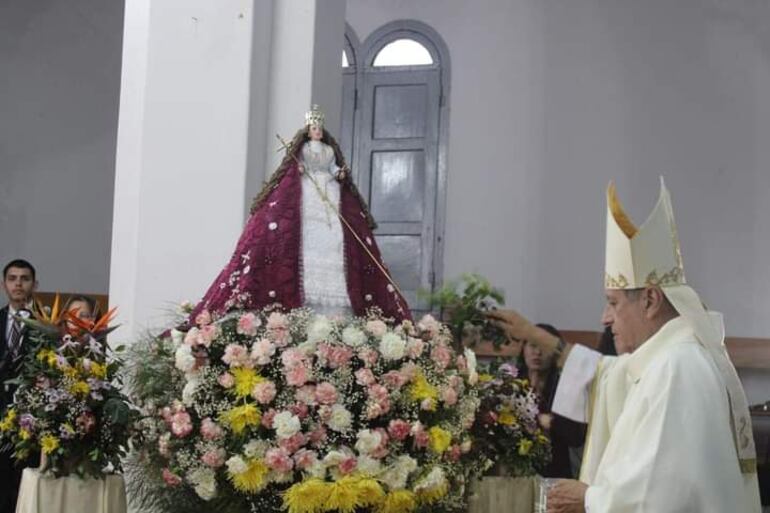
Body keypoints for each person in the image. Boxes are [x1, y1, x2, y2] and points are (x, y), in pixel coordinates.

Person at [490, 179, 761, 512]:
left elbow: (665, 492)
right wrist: (533, 334)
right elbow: (605, 375)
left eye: (613, 303)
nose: (605, 317)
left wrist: (590, 498)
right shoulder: (665, 359)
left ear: (649, 300)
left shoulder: (678, 367)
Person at [187, 105, 409, 323]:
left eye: (319, 129)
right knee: (303, 229)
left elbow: (332, 166)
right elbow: (297, 164)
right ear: (308, 130)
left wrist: (338, 173)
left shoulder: (329, 150)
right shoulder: (303, 149)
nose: (317, 132)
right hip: (307, 190)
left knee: (336, 234)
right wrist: (300, 170)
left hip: (330, 189)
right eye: (314, 128)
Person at [519, 323, 587, 479]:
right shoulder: (512, 384)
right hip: (518, 468)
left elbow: (576, 437)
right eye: (532, 346)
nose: (537, 352)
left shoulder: (565, 386)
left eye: (543, 347)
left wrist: (552, 423)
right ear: (523, 349)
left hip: (556, 469)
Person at [0, 259, 38, 513]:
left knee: (22, 488)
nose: (18, 283)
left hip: (30, 422)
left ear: (34, 284)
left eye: (24, 278)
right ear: (4, 284)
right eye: (13, 278)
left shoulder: (47, 325)